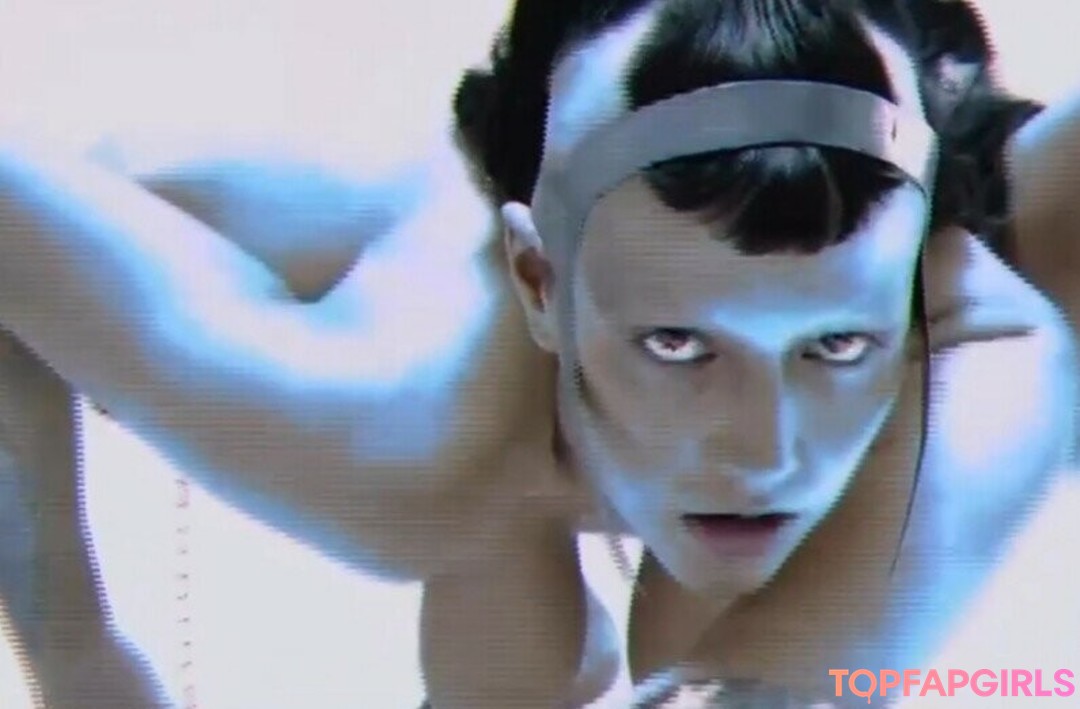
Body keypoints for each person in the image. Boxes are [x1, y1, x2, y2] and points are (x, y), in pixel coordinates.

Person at [0, 0, 1077, 707]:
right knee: (441, 484)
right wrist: (78, 648)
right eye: (678, 344)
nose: (763, 451)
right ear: (536, 286)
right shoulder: (401, 435)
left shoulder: (987, 358)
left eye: (837, 344)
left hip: (879, 142)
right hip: (482, 280)